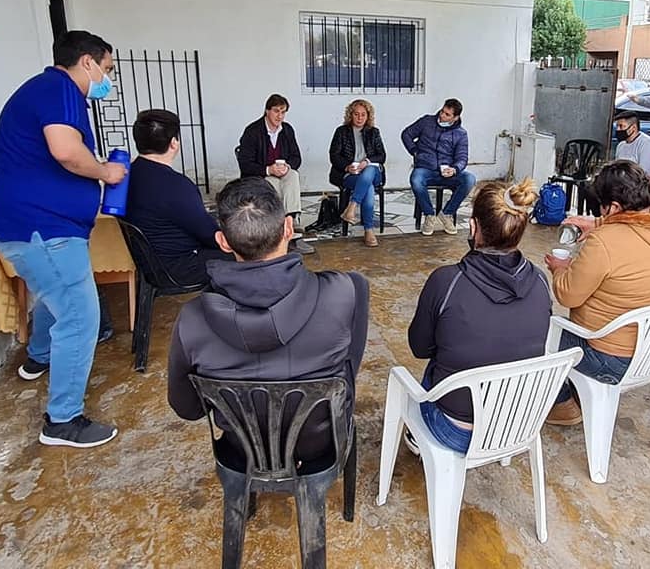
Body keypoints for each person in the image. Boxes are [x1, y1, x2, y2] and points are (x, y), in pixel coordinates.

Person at [0, 30, 126, 448]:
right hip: (44, 228)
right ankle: (62, 421)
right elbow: (65, 151)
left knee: (56, 296)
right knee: (80, 317)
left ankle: (39, 357)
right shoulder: (61, 88)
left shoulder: (42, 90)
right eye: (107, 68)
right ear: (87, 62)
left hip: (33, 227)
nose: (107, 79)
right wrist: (105, 172)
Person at [167, 177, 368, 469]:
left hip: (241, 450)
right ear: (289, 228)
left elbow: (187, 408)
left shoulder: (192, 319)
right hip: (322, 445)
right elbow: (348, 375)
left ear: (223, 242)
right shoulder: (345, 291)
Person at [407, 178, 550, 452]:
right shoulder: (541, 281)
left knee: (434, 365)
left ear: (473, 227)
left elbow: (420, 348)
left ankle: (420, 435)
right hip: (518, 423)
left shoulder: (446, 281)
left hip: (456, 430)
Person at [544, 161, 650, 425]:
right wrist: (598, 222)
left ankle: (563, 405)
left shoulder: (604, 242)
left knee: (533, 328)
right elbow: (634, 225)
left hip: (609, 359)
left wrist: (560, 268)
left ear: (613, 207)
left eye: (601, 207)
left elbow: (567, 295)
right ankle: (579, 394)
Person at [126, 109, 232, 285]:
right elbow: (210, 235)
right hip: (179, 268)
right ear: (174, 143)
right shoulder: (176, 185)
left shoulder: (126, 175)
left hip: (147, 264)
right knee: (249, 256)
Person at [235, 94, 314, 255]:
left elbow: (296, 157)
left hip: (282, 172)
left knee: (293, 175)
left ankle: (291, 222)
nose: (280, 116)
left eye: (283, 112)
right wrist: (268, 169)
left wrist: (287, 166)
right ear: (267, 111)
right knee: (274, 183)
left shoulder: (287, 130)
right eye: (276, 111)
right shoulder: (252, 131)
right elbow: (245, 163)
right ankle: (280, 229)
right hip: (261, 175)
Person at [401, 98, 477, 236]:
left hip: (447, 172)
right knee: (416, 180)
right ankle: (429, 215)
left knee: (469, 179)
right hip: (425, 168)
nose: (442, 115)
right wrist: (415, 151)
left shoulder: (461, 133)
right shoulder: (426, 121)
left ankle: (447, 214)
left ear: (455, 118)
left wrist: (455, 169)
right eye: (442, 111)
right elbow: (406, 134)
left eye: (447, 114)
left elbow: (462, 157)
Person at [330, 99, 387, 247]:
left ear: (368, 116)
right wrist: (347, 167)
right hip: (351, 174)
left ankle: (352, 207)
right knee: (368, 188)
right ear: (350, 115)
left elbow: (382, 155)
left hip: (373, 172)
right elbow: (334, 155)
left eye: (363, 115)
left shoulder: (374, 132)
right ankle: (368, 230)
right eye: (356, 114)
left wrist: (367, 161)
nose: (360, 118)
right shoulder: (341, 132)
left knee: (369, 170)